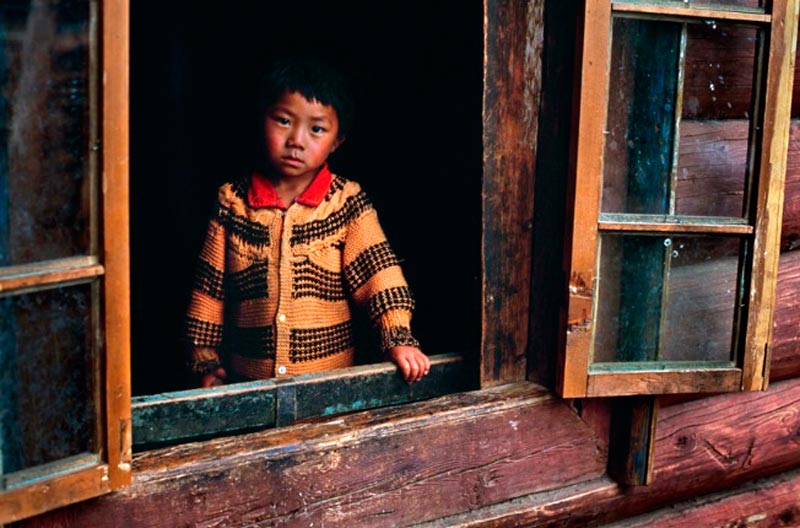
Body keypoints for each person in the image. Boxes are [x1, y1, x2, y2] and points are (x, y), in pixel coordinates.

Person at [184, 58, 430, 388]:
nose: (297, 140)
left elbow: (380, 276)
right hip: (248, 385)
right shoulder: (232, 203)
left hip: (328, 386)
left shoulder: (346, 202)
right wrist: (205, 360)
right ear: (262, 120)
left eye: (316, 129)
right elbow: (208, 292)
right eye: (283, 121)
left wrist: (397, 336)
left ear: (337, 140)